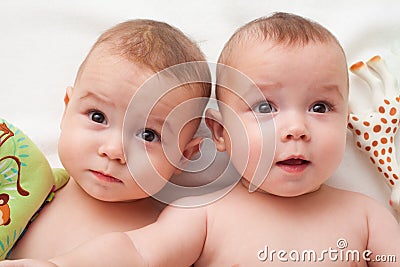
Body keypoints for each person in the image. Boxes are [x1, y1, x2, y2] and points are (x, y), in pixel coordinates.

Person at [3, 12, 399, 267]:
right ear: (220, 134)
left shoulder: (368, 216)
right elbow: (136, 252)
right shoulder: (204, 213)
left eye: (320, 107)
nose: (296, 128)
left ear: (346, 120)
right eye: (264, 108)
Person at [3, 19, 211, 260]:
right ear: (67, 110)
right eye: (97, 117)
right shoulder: (26, 185)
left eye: (148, 135)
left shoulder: (168, 234)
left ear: (184, 155)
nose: (113, 150)